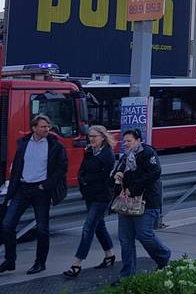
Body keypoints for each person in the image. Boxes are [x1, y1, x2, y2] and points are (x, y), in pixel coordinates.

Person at [0, 114, 68, 275]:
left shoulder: (55, 146)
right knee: (7, 224)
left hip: (41, 191)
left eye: (48, 126)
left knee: (42, 228)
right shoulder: (23, 143)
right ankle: (10, 260)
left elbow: (61, 168)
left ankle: (40, 263)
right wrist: (12, 187)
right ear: (34, 128)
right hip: (22, 189)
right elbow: (17, 166)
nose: (47, 129)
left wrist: (46, 185)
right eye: (43, 126)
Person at [112, 129, 171, 280]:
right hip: (126, 202)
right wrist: (116, 174)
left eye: (129, 141)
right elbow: (118, 170)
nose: (125, 144)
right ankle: (127, 275)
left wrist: (133, 188)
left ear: (138, 140)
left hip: (147, 202)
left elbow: (154, 173)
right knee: (125, 239)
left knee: (144, 234)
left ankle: (163, 256)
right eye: (124, 141)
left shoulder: (148, 153)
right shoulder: (126, 157)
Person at [63, 126, 116, 279]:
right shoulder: (89, 151)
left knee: (88, 227)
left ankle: (76, 264)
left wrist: (85, 180)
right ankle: (109, 255)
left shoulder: (108, 155)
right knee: (99, 226)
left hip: (101, 197)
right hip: (89, 195)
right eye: (90, 136)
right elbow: (82, 171)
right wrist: (83, 181)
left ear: (103, 137)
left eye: (94, 136)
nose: (91, 139)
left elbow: (102, 177)